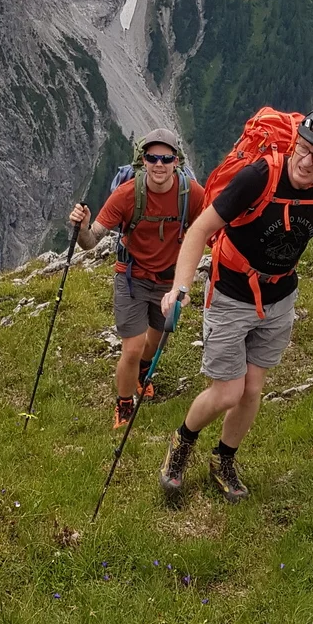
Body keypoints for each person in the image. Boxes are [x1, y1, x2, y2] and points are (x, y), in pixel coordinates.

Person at [155, 104, 313, 503]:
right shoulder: (260, 175)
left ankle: (223, 459)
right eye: (304, 148)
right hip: (231, 292)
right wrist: (180, 287)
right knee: (227, 392)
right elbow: (200, 230)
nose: (306, 161)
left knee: (252, 389)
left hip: (279, 297)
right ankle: (182, 441)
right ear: (297, 140)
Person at [69, 129, 205, 428]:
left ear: (176, 162)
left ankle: (144, 371)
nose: (159, 164)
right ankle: (125, 404)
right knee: (132, 347)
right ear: (142, 161)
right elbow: (91, 241)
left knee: (154, 342)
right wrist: (81, 228)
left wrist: (188, 282)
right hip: (131, 278)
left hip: (169, 283)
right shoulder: (126, 195)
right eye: (152, 158)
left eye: (166, 158)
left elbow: (206, 232)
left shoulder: (192, 194)